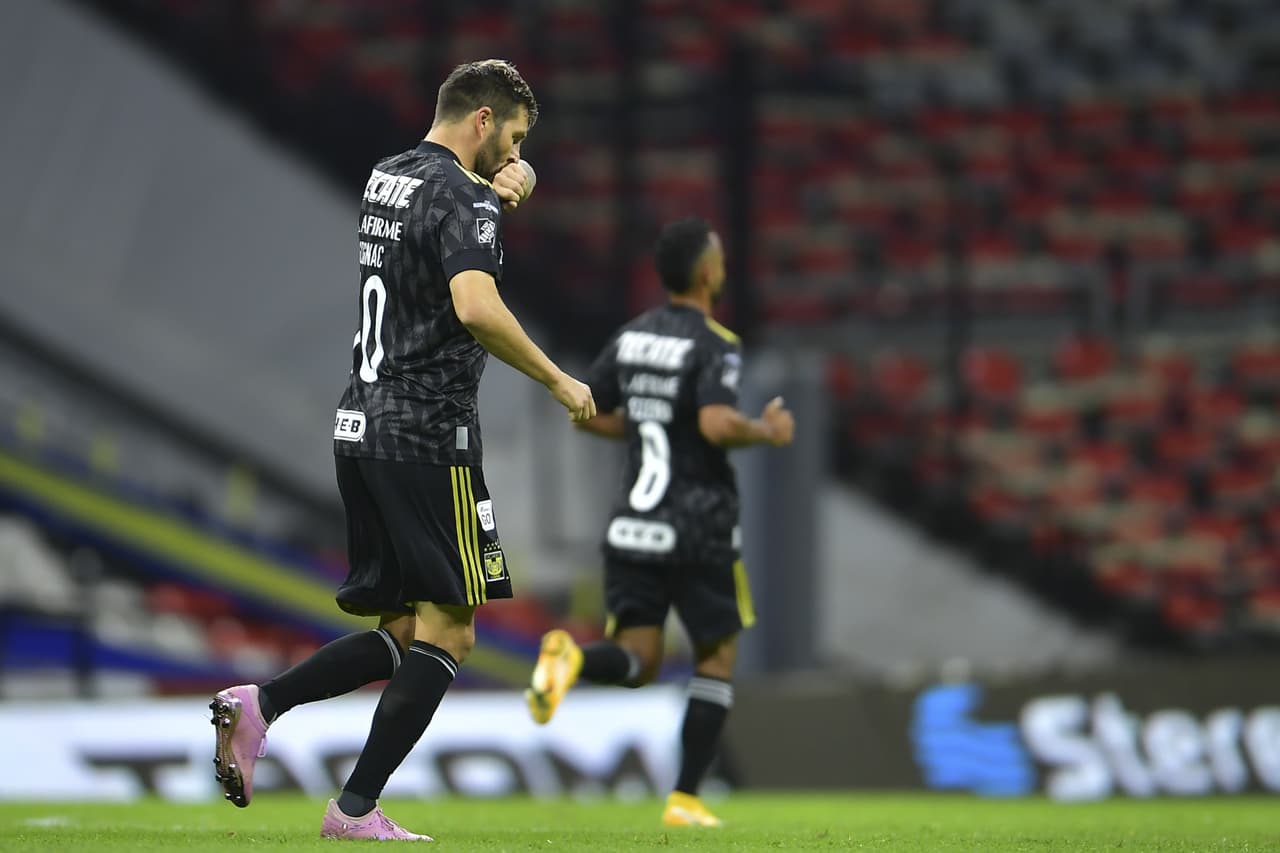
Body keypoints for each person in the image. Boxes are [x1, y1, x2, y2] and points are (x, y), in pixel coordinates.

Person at [209, 59, 595, 841]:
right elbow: (474, 305)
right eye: (512, 138)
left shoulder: (389, 176)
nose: (515, 156)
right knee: (452, 631)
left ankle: (261, 704)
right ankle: (353, 809)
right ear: (483, 120)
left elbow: (433, 237)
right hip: (429, 434)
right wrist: (558, 379)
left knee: (408, 632)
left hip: (363, 425)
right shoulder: (466, 197)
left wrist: (494, 194)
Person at [524, 217, 794, 828]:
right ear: (705, 273)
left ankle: (571, 662)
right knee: (717, 656)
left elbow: (586, 411)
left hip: (632, 525)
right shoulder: (715, 342)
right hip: (697, 525)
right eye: (719, 259)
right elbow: (717, 425)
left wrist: (646, 428)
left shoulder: (633, 336)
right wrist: (766, 431)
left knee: (637, 658)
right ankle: (685, 798)